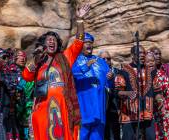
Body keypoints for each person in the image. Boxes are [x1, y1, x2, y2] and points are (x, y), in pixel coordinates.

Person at [22, 4, 90, 140]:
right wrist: (35, 60)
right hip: (42, 108)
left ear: (58, 44)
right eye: (49, 40)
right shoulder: (38, 61)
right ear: (43, 44)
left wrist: (80, 20)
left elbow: (79, 42)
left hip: (64, 107)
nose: (52, 41)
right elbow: (26, 76)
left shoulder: (65, 57)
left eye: (54, 40)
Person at [114, 45, 163, 140]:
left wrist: (159, 99)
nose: (142, 55)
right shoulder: (124, 70)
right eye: (139, 53)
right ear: (132, 55)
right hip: (129, 115)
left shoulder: (151, 71)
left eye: (143, 53)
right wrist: (127, 93)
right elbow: (117, 91)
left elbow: (157, 90)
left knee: (150, 137)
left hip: (147, 114)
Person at [72, 33, 109, 140]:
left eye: (91, 43)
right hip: (83, 110)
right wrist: (86, 66)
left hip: (99, 110)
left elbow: (108, 85)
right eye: (86, 43)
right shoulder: (74, 60)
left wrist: (110, 79)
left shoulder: (101, 61)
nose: (89, 45)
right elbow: (71, 75)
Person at [145, 52, 169, 140]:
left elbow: (168, 94)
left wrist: (167, 111)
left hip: (162, 111)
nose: (151, 63)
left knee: (163, 134)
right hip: (147, 112)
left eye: (152, 61)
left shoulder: (162, 74)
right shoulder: (142, 76)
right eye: (148, 61)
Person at [99, 51, 120, 140]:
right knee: (104, 134)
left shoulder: (117, 72)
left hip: (114, 109)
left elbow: (120, 89)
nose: (106, 60)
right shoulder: (96, 73)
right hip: (101, 110)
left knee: (115, 134)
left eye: (108, 58)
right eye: (103, 59)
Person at [14, 49, 34, 140]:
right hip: (16, 107)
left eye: (23, 56)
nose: (22, 58)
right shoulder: (11, 72)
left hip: (30, 106)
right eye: (19, 56)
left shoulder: (29, 71)